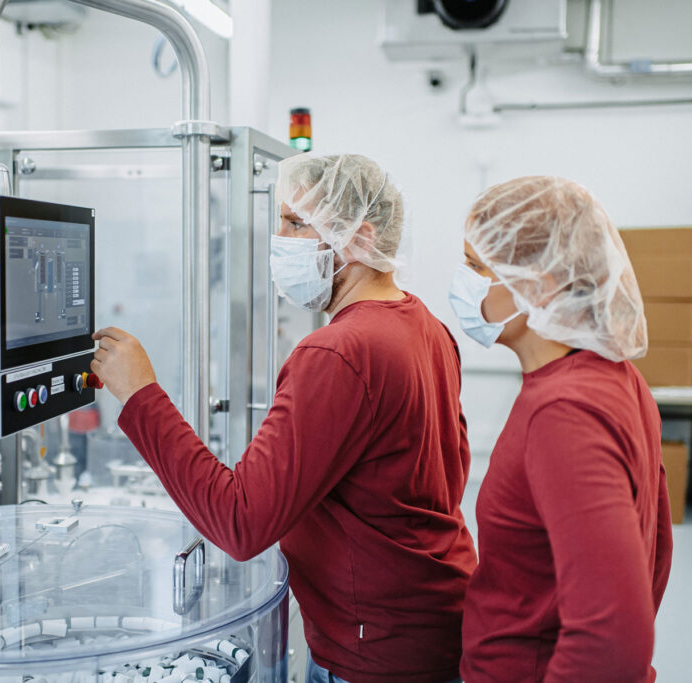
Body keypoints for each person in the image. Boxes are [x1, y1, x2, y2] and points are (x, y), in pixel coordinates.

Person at [91, 153, 476, 683]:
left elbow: (241, 522)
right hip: (433, 623)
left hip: (375, 656)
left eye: (296, 223)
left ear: (359, 238)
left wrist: (140, 395)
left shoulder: (339, 352)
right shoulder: (425, 326)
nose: (279, 237)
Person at [451, 176, 674, 682]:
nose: (461, 285)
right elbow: (655, 551)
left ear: (539, 285)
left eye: (476, 267)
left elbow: (613, 639)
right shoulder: (615, 376)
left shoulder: (563, 413)